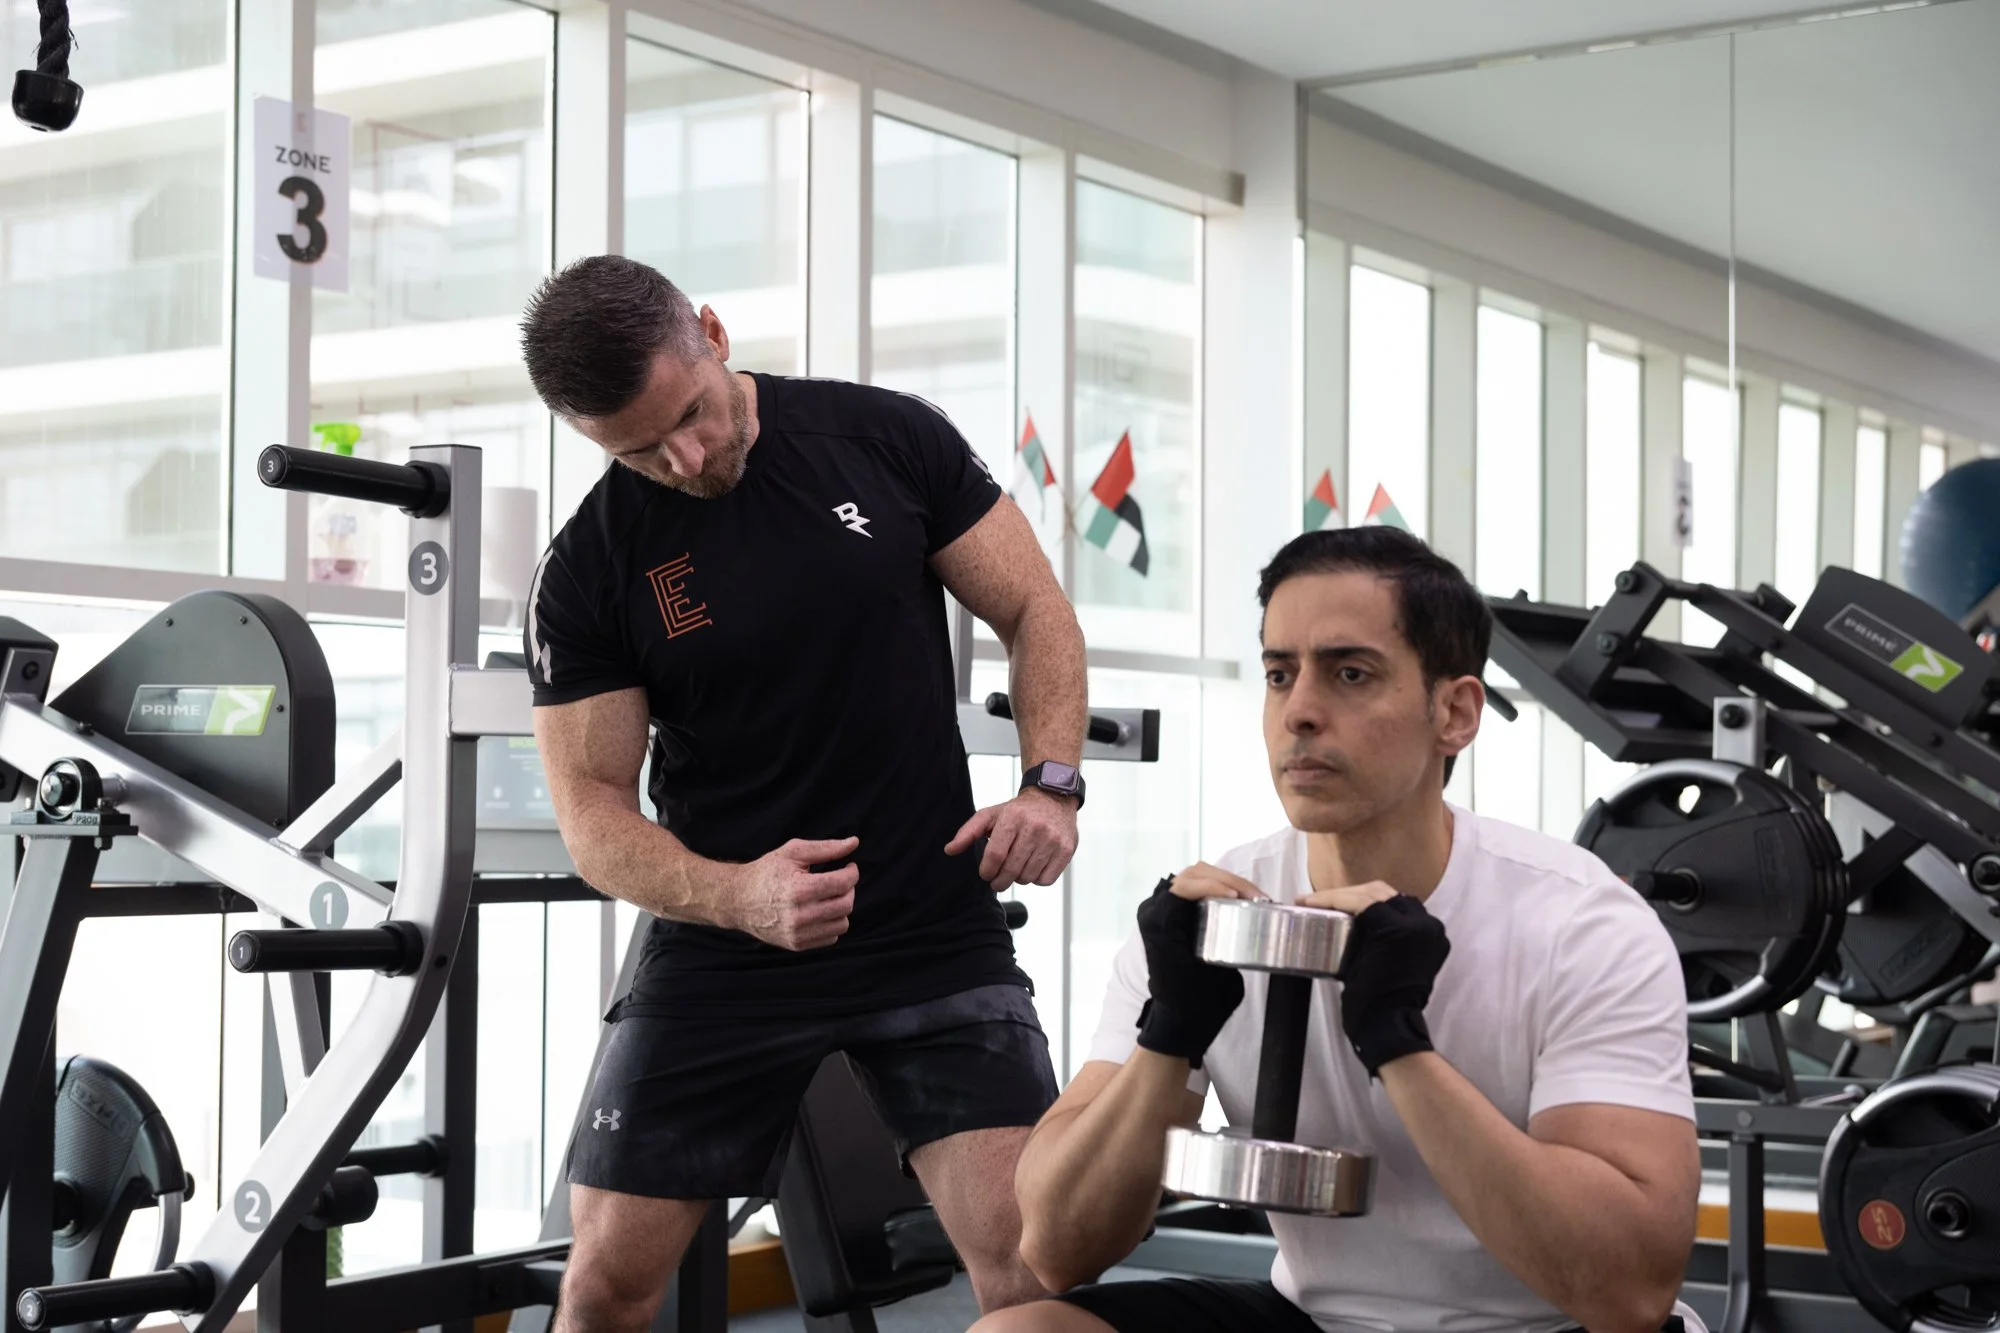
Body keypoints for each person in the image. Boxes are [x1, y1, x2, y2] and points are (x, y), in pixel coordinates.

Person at [517, 255, 1089, 1332]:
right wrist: (739, 896)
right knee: (599, 1290)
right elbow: (592, 815)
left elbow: (1035, 608)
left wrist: (1049, 786)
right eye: (639, 449)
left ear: (716, 334)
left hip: (927, 916)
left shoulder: (884, 438)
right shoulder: (589, 567)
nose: (683, 458)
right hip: (728, 939)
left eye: (689, 415)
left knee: (1031, 1263)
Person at [979, 526, 1702, 1333]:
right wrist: (1170, 1030)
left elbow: (1630, 1290)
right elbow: (1053, 1245)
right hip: (1319, 1320)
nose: (1301, 713)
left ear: (1456, 712)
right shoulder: (1212, 913)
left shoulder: (1578, 923)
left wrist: (1398, 1043)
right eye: (1279, 674)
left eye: (1350, 674)